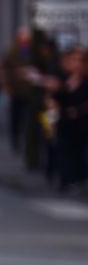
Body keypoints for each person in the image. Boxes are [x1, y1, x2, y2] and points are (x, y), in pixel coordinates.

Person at [51, 46, 88, 193]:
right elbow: (54, 100)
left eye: (79, 61)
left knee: (79, 153)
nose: (76, 64)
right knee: (63, 150)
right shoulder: (64, 80)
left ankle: (80, 180)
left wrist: (78, 111)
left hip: (82, 124)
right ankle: (64, 180)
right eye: (74, 60)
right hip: (64, 122)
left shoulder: (85, 82)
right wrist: (51, 119)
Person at [2, 28, 32, 154]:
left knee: (27, 117)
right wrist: (6, 86)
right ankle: (15, 140)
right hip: (16, 90)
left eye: (26, 39)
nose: (24, 42)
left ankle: (27, 140)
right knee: (16, 117)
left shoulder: (32, 51)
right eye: (22, 39)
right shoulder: (12, 52)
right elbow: (5, 70)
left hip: (29, 91)